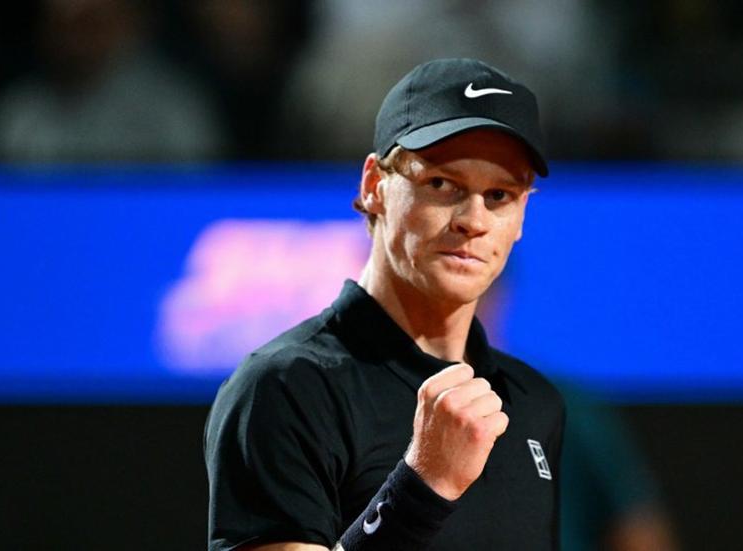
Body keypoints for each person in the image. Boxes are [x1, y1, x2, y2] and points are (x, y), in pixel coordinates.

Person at [204, 58, 564, 550]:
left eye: (499, 194)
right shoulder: (285, 388)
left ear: (521, 215)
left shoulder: (534, 403)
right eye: (442, 184)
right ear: (374, 186)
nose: (473, 220)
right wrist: (423, 486)